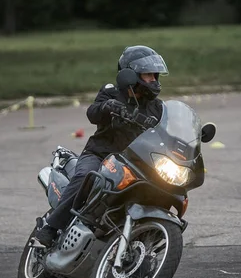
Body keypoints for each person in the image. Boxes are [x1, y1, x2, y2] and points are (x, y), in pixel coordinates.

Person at [34, 45, 168, 247]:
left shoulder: (157, 107)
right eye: (148, 75)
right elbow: (92, 113)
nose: (154, 80)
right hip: (99, 155)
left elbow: (166, 131)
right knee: (85, 178)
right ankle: (51, 228)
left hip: (134, 162)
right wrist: (107, 107)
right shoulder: (112, 93)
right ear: (131, 75)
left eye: (155, 75)